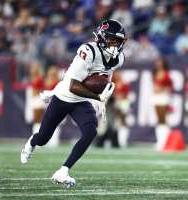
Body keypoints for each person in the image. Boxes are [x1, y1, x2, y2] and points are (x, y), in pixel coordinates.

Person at [20, 19, 127, 187]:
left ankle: (63, 171)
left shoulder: (118, 58)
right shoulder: (89, 51)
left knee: (90, 131)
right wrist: (97, 97)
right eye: (112, 40)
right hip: (64, 96)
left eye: (118, 41)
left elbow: (106, 75)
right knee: (43, 138)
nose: (115, 45)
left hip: (82, 100)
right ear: (101, 37)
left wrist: (104, 90)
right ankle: (31, 143)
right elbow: (73, 86)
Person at [152, 57, 172, 151]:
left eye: (160, 62)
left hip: (163, 97)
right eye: (157, 62)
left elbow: (170, 87)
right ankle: (160, 141)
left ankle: (165, 142)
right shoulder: (155, 73)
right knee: (159, 119)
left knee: (163, 119)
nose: (158, 64)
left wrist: (162, 89)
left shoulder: (167, 74)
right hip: (156, 97)